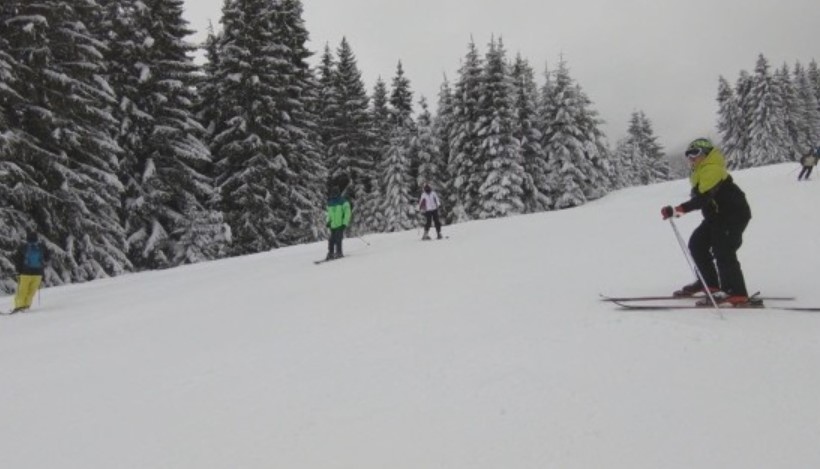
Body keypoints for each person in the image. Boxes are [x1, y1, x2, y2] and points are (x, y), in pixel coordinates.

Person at [660, 138, 756, 307]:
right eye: (688, 154)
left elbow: (704, 199)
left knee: (723, 250)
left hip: (732, 215)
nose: (691, 158)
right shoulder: (699, 171)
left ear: (706, 154)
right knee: (697, 244)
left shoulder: (712, 169)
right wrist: (679, 209)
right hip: (716, 217)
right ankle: (710, 284)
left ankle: (736, 292)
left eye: (695, 153)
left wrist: (678, 209)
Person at [12, 230, 49, 313]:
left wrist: (18, 270)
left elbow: (17, 260)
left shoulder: (23, 247)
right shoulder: (41, 247)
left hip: (25, 273)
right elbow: (47, 258)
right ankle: (26, 306)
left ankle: (19, 307)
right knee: (31, 291)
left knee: (22, 290)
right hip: (38, 273)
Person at [325, 186, 352, 260]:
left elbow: (347, 213)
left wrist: (345, 223)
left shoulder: (343, 202)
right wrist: (328, 221)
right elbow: (328, 213)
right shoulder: (330, 203)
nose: (334, 194)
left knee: (338, 238)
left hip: (340, 225)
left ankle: (339, 253)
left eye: (335, 193)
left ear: (338, 193)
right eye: (333, 193)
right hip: (332, 225)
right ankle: (331, 253)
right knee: (331, 240)